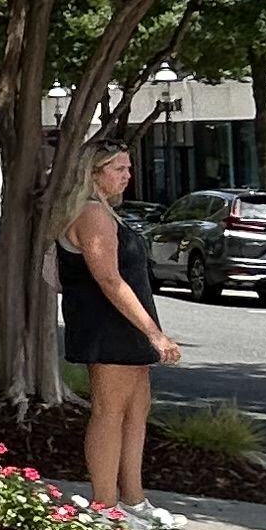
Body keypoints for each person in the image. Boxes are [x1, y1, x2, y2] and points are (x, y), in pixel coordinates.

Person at [57, 136, 181, 508]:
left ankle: (134, 500)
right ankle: (105, 505)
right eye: (119, 169)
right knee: (109, 412)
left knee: (136, 410)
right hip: (105, 327)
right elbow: (109, 279)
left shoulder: (107, 212)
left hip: (126, 325)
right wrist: (155, 334)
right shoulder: (91, 214)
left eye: (129, 167)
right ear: (94, 174)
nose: (129, 175)